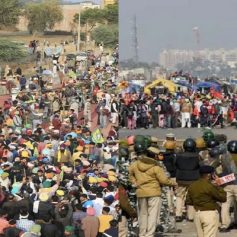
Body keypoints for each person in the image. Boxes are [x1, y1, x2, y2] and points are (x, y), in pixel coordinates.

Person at [128, 135, 177, 237]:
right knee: (153, 215)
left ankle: (142, 234)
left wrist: (135, 182)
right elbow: (164, 180)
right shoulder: (156, 166)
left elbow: (130, 175)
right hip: (154, 192)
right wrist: (173, 183)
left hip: (141, 192)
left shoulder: (135, 164)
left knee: (142, 215)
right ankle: (149, 234)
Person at [186, 165, 227, 237]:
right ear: (209, 175)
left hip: (197, 214)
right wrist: (218, 185)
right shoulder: (210, 186)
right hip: (209, 213)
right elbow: (223, 198)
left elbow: (189, 201)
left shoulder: (193, 185)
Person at [175, 138, 200, 222]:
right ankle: (191, 216)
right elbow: (200, 166)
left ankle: (178, 214)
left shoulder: (179, 155)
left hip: (181, 179)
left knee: (179, 196)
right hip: (194, 179)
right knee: (191, 197)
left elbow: (175, 165)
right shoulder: (197, 156)